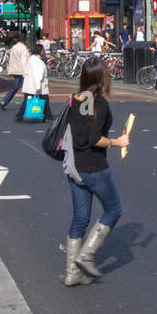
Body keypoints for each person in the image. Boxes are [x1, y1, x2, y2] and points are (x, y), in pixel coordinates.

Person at [63, 57, 128, 287]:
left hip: (73, 166)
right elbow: (92, 139)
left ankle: (72, 273)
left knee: (80, 218)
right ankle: (86, 255)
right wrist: (116, 142)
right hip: (93, 167)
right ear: (101, 78)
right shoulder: (99, 103)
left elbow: (79, 134)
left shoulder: (76, 99)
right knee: (113, 210)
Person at [18, 42, 51, 121]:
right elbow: (38, 75)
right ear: (39, 51)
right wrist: (37, 87)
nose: (44, 51)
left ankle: (19, 116)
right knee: (44, 100)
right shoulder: (38, 61)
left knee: (27, 101)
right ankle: (48, 117)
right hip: (37, 86)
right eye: (43, 50)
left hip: (29, 85)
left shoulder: (32, 59)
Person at [0, 36, 31, 111]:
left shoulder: (14, 47)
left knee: (15, 87)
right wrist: (25, 72)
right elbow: (24, 61)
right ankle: (27, 105)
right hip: (22, 71)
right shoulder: (24, 48)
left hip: (15, 70)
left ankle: (4, 101)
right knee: (27, 88)